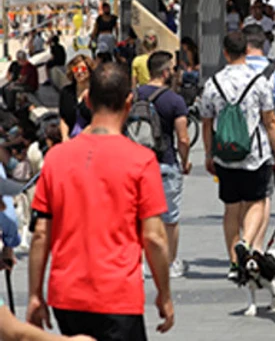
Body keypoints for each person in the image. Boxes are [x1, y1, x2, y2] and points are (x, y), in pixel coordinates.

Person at [26, 62, 174, 340]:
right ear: (129, 102)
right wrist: (164, 294)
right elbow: (154, 238)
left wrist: (35, 294)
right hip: (117, 296)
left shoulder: (57, 158)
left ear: (88, 100)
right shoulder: (141, 161)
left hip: (67, 296)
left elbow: (40, 234)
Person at [200, 31, 275, 283]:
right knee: (257, 202)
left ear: (225, 52)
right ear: (246, 51)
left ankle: (234, 263)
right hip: (255, 155)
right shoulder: (259, 81)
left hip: (225, 155)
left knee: (231, 208)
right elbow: (270, 121)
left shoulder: (212, 83)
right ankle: (247, 242)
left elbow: (206, 123)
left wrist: (208, 153)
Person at [137, 51, 191, 279]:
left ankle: (138, 263)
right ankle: (170, 263)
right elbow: (184, 138)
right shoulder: (175, 100)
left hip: (137, 164)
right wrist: (185, 160)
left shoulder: (134, 95)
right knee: (169, 217)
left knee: (138, 216)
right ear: (166, 72)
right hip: (166, 163)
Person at [243, 24, 275, 250]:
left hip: (235, 140)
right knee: (262, 198)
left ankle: (240, 245)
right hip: (267, 142)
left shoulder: (231, 72)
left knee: (239, 200)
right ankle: (255, 246)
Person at [58, 55, 95, 141]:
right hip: (70, 139)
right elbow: (63, 118)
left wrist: (78, 140)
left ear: (89, 70)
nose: (79, 71)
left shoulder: (97, 92)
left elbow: (97, 121)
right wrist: (65, 137)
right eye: (75, 69)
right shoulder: (66, 92)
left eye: (82, 68)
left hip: (90, 139)